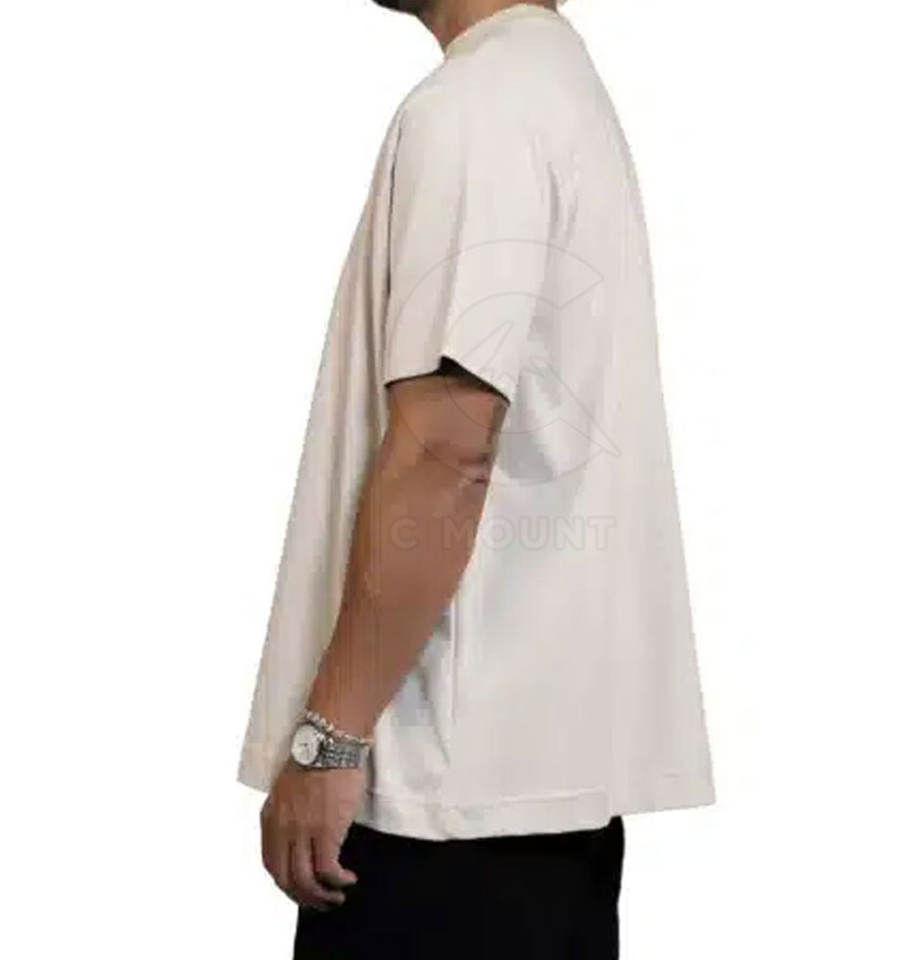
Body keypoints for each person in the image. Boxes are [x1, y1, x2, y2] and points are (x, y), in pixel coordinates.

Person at [238, 2, 714, 956]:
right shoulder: (556, 89)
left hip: (437, 812)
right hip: (527, 808)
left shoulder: (477, 107)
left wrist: (329, 738)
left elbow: (447, 446)